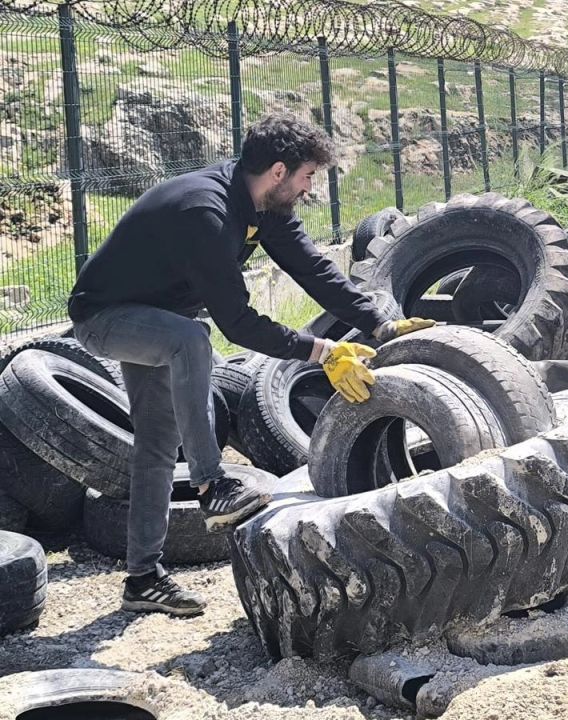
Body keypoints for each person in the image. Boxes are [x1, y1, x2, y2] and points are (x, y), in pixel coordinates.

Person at [68, 113, 432, 616]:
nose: (310, 188)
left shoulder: (263, 204)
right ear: (279, 171)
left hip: (160, 319)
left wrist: (379, 323)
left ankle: (142, 579)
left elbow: (312, 267)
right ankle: (213, 484)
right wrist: (320, 351)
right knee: (192, 340)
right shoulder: (207, 211)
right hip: (104, 318)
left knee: (156, 444)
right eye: (308, 176)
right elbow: (236, 323)